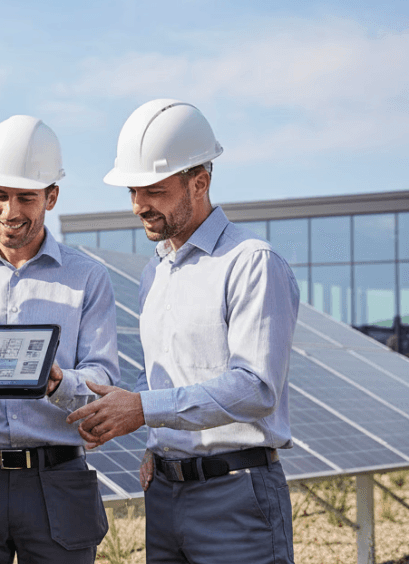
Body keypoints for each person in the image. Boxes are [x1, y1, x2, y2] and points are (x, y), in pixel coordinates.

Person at [67, 99, 300, 564]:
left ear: (200, 181)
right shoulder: (157, 272)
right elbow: (159, 379)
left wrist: (144, 410)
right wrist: (127, 415)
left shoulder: (251, 263)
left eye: (153, 190)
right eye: (133, 191)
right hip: (166, 493)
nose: (138, 206)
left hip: (237, 497)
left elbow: (255, 388)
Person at [0, 115, 119, 564]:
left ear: (51, 195)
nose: (10, 212)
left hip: (57, 482)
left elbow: (103, 377)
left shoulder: (88, 278)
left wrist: (56, 382)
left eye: (26, 197)